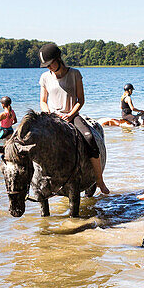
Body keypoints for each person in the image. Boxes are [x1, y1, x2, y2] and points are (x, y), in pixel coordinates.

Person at [38, 43, 111, 195]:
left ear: (58, 59)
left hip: (72, 116)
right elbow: (43, 101)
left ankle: (99, 180)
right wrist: (50, 114)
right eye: (46, 65)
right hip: (52, 118)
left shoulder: (75, 74)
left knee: (90, 138)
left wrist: (71, 114)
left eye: (50, 64)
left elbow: (81, 99)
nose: (48, 68)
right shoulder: (45, 77)